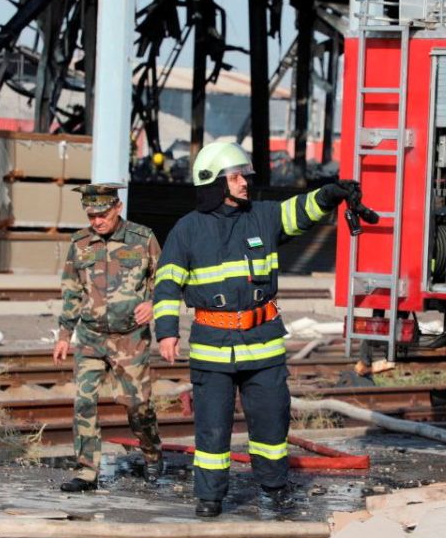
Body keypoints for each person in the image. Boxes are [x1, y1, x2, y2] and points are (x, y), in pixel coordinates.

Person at [153, 142, 362, 518]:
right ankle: (210, 497)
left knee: (271, 425)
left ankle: (274, 490)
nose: (244, 183)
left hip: (263, 344)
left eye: (244, 176)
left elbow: (301, 210)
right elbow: (167, 284)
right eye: (235, 177)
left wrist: (330, 194)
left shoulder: (263, 217)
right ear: (215, 182)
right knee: (212, 432)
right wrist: (167, 331)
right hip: (212, 348)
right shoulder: (187, 230)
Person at [53, 183, 164, 492]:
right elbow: (71, 291)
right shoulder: (80, 243)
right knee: (84, 401)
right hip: (90, 336)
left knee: (137, 405)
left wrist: (153, 304)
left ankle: (153, 455)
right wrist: (64, 334)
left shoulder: (143, 239)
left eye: (102, 214)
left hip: (130, 338)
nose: (97, 221)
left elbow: (165, 279)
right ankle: (87, 471)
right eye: (91, 215)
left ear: (117, 208)